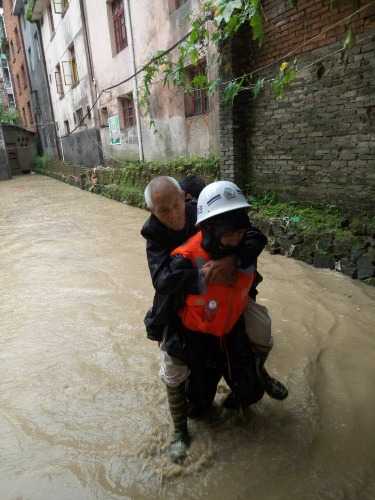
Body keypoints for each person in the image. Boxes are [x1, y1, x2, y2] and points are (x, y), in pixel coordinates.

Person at [141, 176, 268, 462]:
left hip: (228, 301)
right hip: (183, 307)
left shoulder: (208, 207)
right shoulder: (154, 235)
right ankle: (179, 431)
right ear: (152, 212)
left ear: (185, 197)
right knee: (176, 370)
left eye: (177, 205)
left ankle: (262, 374)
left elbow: (255, 235)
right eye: (164, 211)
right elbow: (162, 281)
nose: (174, 215)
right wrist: (200, 271)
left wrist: (233, 260)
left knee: (261, 328)